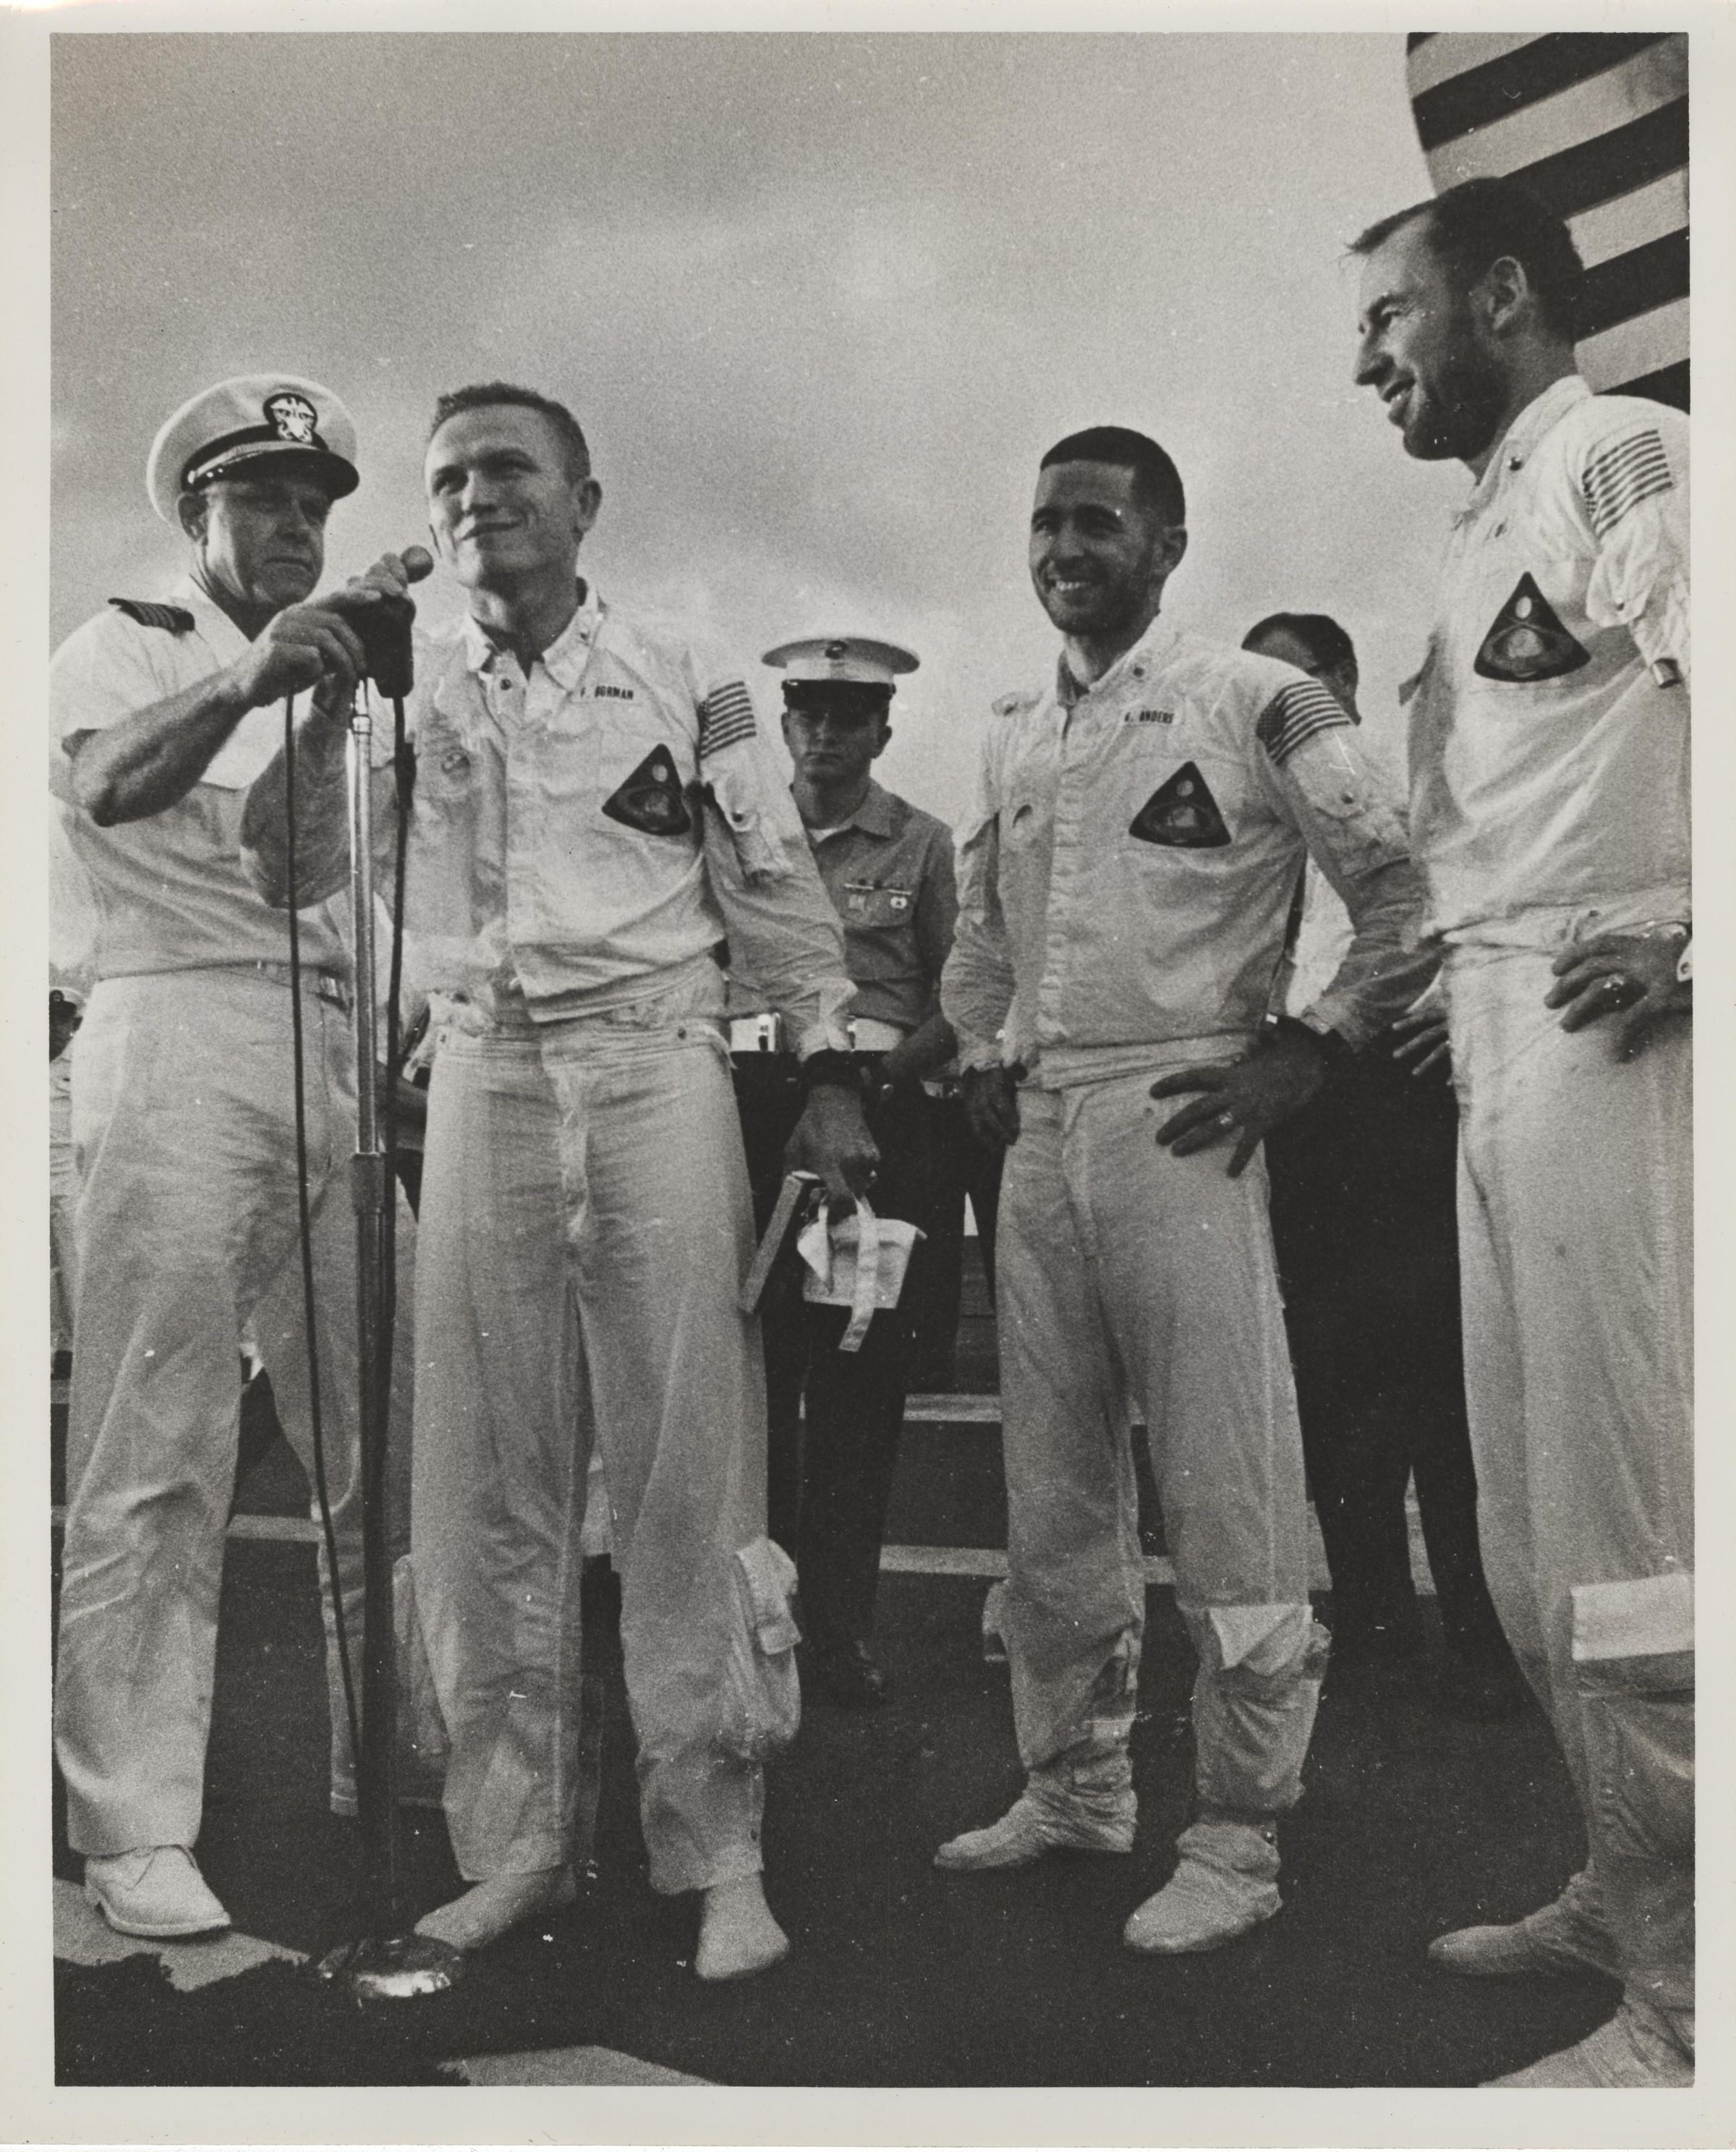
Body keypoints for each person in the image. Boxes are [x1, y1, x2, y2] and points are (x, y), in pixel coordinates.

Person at [242, 382, 875, 1979]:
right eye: (449, 477)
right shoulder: (403, 675)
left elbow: (776, 884)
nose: (474, 499)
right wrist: (324, 697)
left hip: (657, 1055)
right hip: (483, 1068)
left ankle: (718, 1849)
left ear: (585, 501)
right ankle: (512, 1843)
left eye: (509, 470)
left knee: (686, 1469)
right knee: (480, 1480)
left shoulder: (687, 669)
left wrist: (830, 1074)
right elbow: (289, 866)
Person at [935, 425, 1434, 1954]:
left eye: (1098, 522)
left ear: (1167, 543)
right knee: (1058, 1496)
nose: (1064, 549)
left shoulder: (1254, 697)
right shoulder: (1016, 729)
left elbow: (1402, 889)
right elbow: (983, 944)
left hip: (1191, 1111)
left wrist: (1314, 1047)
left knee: (1230, 1486)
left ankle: (1239, 1829)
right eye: (1044, 525)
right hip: (1045, 1129)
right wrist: (972, 1054)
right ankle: (1077, 1782)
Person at [1350, 176, 1691, 2085]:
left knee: (1640, 1529)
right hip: (1502, 1032)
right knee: (1532, 1536)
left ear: (1499, 297)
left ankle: (1696, 2002)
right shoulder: (1484, 532)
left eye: (1389, 319)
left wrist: (1700, 936)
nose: (1368, 364)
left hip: (1617, 1026)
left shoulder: (1623, 456)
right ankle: (1631, 1875)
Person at [51, 375, 395, 1939]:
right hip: (174, 1029)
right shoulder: (124, 639)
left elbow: (296, 868)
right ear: (196, 510)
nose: (295, 529)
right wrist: (257, 680)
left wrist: (322, 712)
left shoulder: (322, 662)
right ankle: (131, 1823)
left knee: (380, 1427)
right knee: (161, 1445)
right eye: (262, 500)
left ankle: (387, 1753)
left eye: (315, 506)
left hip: (321, 1034)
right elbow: (106, 784)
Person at [1241, 611, 1521, 1717]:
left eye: (1303, 686)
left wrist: (1453, 1009)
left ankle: (1488, 1636)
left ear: (1347, 690)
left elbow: (1477, 920)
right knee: (1329, 1386)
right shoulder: (1256, 834)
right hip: (1300, 1121)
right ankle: (1371, 1629)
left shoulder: (1412, 804)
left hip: (1404, 1106)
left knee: (1445, 1392)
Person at [731, 633, 956, 1708]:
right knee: (753, 1384)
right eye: (807, 715)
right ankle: (760, 1621)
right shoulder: (738, 833)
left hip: (878, 1124)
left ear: (882, 730)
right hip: (753, 1111)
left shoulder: (921, 844)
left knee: (857, 1382)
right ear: (783, 725)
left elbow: (962, 994)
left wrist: (874, 1091)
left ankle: (842, 1633)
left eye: (848, 719)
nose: (825, 736)